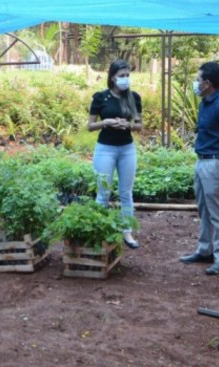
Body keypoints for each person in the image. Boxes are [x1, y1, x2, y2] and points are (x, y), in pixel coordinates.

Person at [179, 61, 219, 275]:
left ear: (208, 83)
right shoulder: (205, 103)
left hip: (216, 162)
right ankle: (205, 250)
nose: (195, 84)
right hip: (203, 161)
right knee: (205, 210)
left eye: (198, 80)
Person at [87, 60, 142, 249]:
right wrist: (107, 122)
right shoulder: (101, 98)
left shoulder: (133, 97)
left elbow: (139, 125)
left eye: (127, 75)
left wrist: (128, 125)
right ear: (112, 77)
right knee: (103, 192)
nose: (125, 79)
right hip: (105, 149)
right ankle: (99, 230)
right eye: (122, 76)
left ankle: (127, 231)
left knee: (126, 192)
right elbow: (90, 126)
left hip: (127, 149)